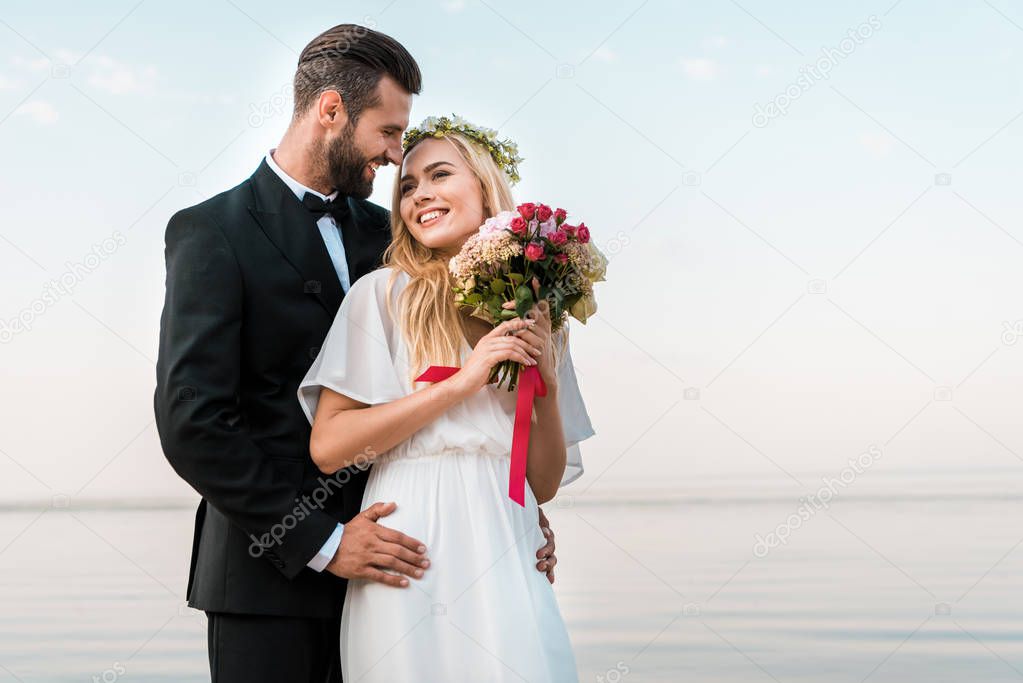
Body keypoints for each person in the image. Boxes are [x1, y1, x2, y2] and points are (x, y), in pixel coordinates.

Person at [154, 25, 560, 683]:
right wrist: (324, 540)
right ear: (331, 111)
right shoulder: (212, 231)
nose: (399, 156)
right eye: (390, 131)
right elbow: (193, 424)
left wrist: (505, 509)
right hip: (269, 581)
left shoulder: (392, 235)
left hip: (408, 562)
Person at [298, 116, 595, 682]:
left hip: (507, 536)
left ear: (485, 188)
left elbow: (544, 483)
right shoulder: (382, 296)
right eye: (407, 186)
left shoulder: (536, 309)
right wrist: (462, 382)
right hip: (412, 542)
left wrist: (548, 392)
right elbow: (330, 446)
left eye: (439, 175)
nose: (420, 195)